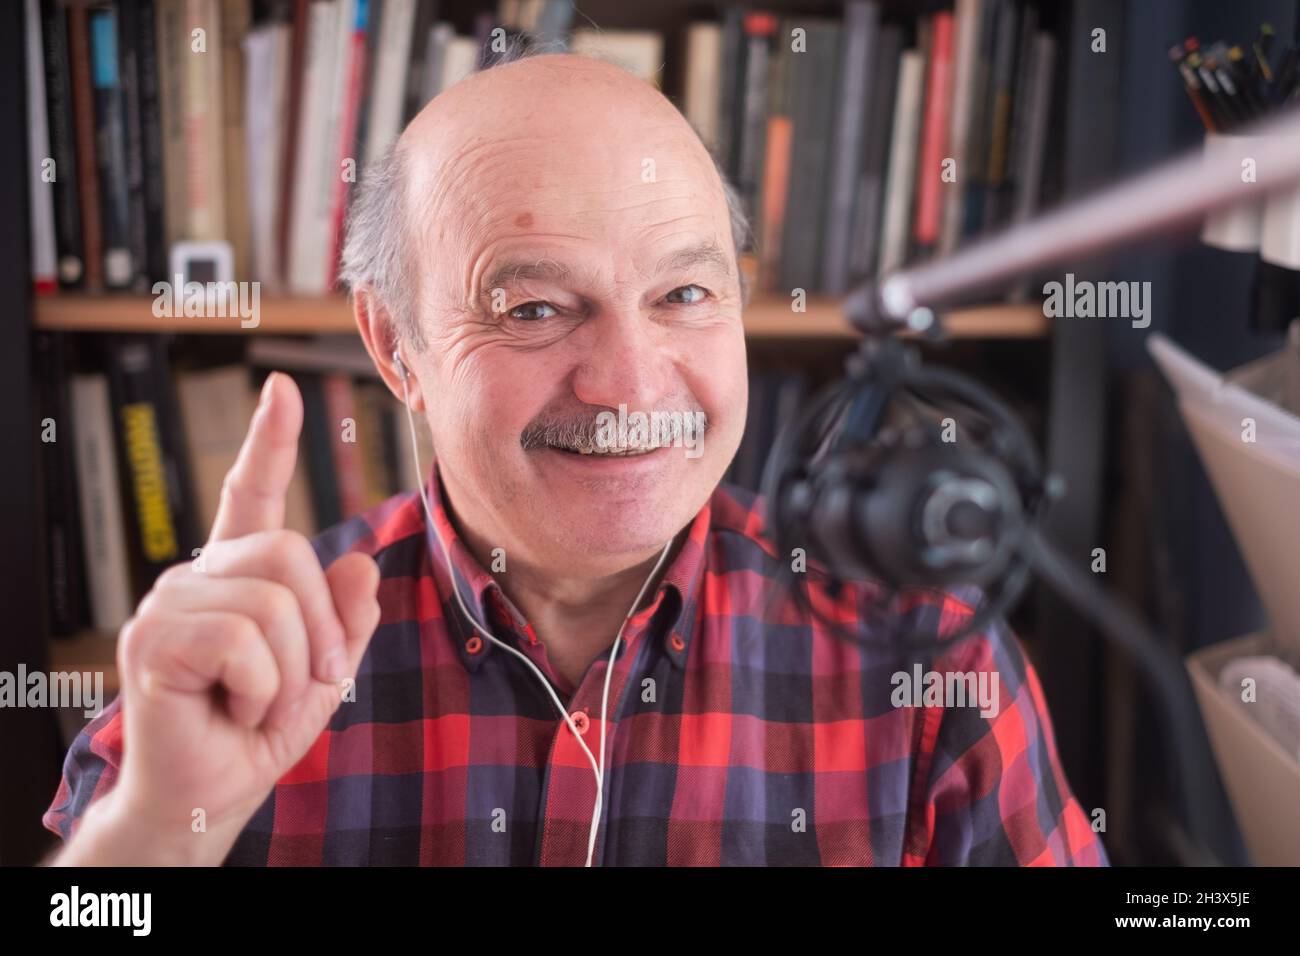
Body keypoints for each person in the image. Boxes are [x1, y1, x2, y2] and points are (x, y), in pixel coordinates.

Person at [43, 51, 1106, 866]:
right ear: (394, 346)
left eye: (682, 295)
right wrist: (157, 831)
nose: (631, 383)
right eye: (538, 307)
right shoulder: (243, 671)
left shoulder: (927, 655)